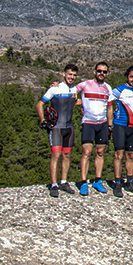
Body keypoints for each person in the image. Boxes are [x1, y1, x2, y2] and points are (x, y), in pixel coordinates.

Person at [36, 64, 78, 198]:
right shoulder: (55, 89)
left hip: (69, 127)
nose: (72, 77)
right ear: (64, 74)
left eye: (74, 75)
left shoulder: (75, 89)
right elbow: (40, 104)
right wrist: (43, 121)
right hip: (56, 127)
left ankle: (64, 182)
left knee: (67, 155)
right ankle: (54, 184)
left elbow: (75, 102)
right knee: (56, 155)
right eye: (70, 74)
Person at [74, 62, 114, 196]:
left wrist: (110, 125)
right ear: (94, 72)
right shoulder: (85, 85)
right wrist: (56, 86)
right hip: (88, 123)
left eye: (104, 71)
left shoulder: (108, 88)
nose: (101, 73)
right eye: (99, 71)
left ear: (107, 73)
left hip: (102, 123)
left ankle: (97, 180)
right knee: (86, 152)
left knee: (100, 152)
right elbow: (70, 91)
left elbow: (109, 108)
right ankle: (84, 182)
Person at [109, 65, 133, 198]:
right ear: (127, 76)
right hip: (120, 126)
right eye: (131, 77)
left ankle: (130, 182)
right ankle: (118, 183)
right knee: (119, 155)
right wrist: (110, 121)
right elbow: (107, 103)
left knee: (130, 155)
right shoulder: (119, 90)